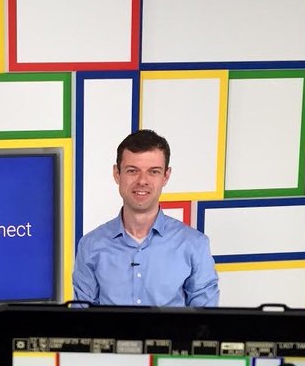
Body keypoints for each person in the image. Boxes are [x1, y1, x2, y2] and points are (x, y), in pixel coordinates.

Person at [72, 129, 219, 307]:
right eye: (132, 171)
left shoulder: (194, 245)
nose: (142, 181)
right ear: (117, 174)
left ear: (166, 176)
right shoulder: (90, 245)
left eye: (153, 172)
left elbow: (205, 320)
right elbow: (82, 318)